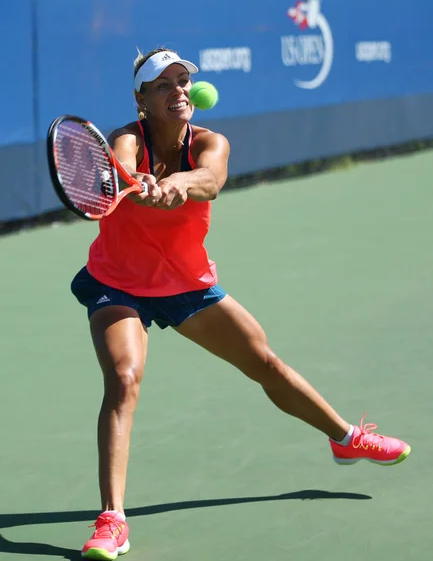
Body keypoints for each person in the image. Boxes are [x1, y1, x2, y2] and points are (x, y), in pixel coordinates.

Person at [71, 47, 411, 560]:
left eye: (183, 81)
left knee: (266, 364)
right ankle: (112, 519)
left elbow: (210, 180)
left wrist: (178, 183)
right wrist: (134, 183)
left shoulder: (211, 142)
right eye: (164, 85)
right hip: (117, 283)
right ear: (141, 100)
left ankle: (345, 437)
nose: (179, 91)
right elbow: (116, 169)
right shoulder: (126, 139)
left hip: (186, 282)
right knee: (123, 377)